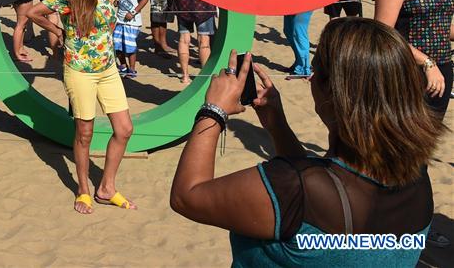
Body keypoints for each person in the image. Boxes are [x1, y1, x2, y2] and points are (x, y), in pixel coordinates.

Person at [170, 19, 445, 265]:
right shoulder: (415, 175)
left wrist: (213, 111)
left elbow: (187, 196)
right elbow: (319, 193)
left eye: (316, 71)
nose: (311, 78)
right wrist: (277, 125)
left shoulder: (293, 188)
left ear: (334, 91)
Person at [27, 0, 137, 214]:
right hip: (79, 71)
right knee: (84, 133)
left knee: (124, 129)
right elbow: (33, 13)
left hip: (108, 69)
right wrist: (57, 30)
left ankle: (107, 187)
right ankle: (84, 189)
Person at [114, 0, 148, 77]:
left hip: (132, 23)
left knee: (129, 46)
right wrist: (119, 3)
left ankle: (132, 69)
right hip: (120, 20)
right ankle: (123, 66)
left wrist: (133, 12)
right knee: (117, 43)